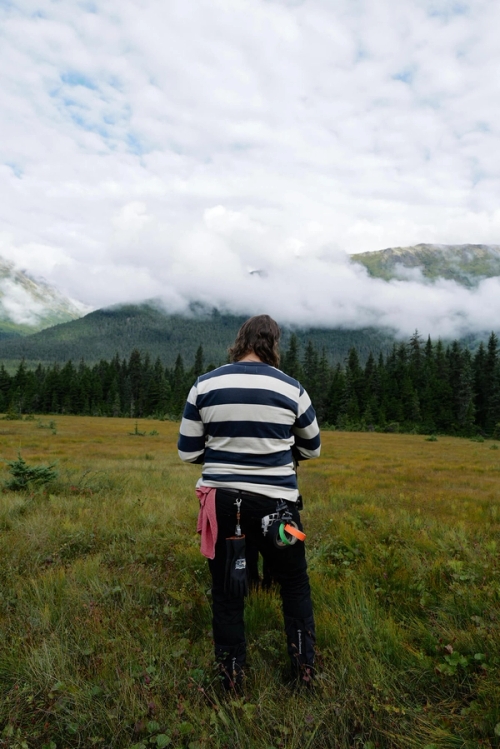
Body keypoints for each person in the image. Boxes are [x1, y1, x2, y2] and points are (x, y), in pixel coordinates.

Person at [178, 314, 321, 689]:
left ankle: (230, 677)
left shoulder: (204, 385)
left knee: (227, 592)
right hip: (282, 508)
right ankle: (304, 670)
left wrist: (221, 456)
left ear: (240, 340)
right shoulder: (293, 389)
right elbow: (313, 448)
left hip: (223, 506)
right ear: (273, 344)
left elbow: (187, 452)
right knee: (294, 582)